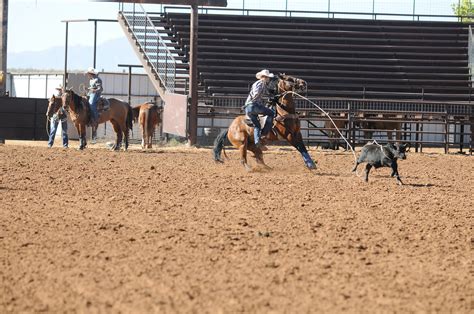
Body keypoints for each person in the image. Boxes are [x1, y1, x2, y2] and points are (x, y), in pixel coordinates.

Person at [244, 69, 276, 150]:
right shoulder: (261, 83)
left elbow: (265, 93)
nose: (268, 79)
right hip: (254, 106)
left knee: (257, 125)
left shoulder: (261, 84)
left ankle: (257, 141)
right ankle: (264, 133)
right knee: (271, 113)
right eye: (267, 77)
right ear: (264, 77)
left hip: (249, 108)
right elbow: (256, 93)